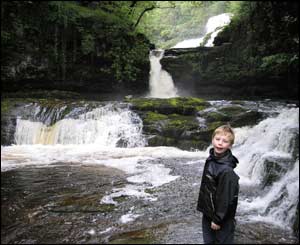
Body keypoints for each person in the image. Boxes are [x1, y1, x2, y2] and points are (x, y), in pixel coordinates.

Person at [197, 125, 239, 244]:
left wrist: (217, 220)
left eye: (225, 141)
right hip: (209, 211)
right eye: (217, 139)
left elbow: (226, 198)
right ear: (212, 140)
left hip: (222, 217)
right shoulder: (211, 159)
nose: (220, 143)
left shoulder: (227, 171)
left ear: (230, 145)